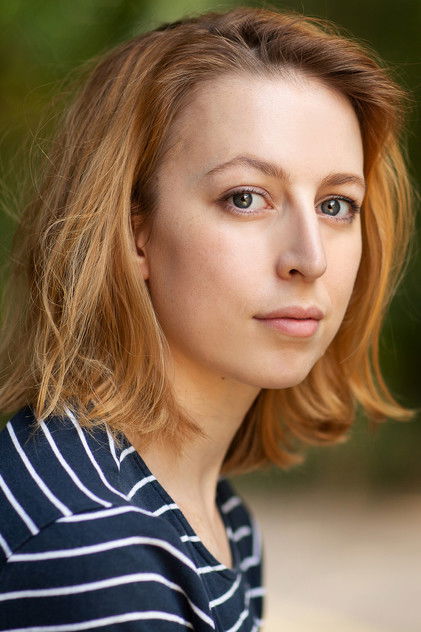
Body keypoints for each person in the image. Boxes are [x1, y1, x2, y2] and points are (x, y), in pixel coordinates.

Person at [0, 6, 414, 631]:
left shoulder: (219, 519)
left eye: (336, 205)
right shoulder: (93, 549)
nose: (311, 259)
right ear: (133, 234)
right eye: (245, 198)